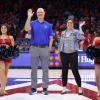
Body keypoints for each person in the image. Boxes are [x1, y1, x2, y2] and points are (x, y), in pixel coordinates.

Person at [24, 8, 53, 95]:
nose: (40, 13)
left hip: (45, 48)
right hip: (34, 48)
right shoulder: (32, 23)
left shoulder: (48, 25)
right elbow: (26, 29)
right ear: (36, 14)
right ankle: (33, 88)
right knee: (34, 69)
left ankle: (45, 88)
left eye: (41, 12)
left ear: (44, 13)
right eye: (38, 12)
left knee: (45, 69)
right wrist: (29, 17)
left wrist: (49, 48)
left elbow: (51, 38)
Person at [56, 18, 85, 95]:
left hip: (73, 53)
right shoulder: (63, 33)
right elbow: (60, 44)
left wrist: (80, 27)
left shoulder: (76, 32)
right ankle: (64, 88)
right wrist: (59, 53)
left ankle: (79, 88)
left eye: (71, 23)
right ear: (66, 24)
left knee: (75, 71)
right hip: (64, 54)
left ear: (73, 24)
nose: (69, 24)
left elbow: (81, 37)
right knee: (64, 71)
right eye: (68, 23)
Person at [0, 24, 14, 95]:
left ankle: (3, 89)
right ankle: (1, 88)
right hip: (0, 56)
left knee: (5, 72)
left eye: (4, 28)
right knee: (2, 69)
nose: (3, 29)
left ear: (7, 29)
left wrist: (8, 46)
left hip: (8, 55)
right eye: (2, 28)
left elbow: (13, 47)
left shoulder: (10, 37)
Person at [92, 32, 100, 96]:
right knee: (97, 76)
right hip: (98, 59)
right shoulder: (96, 38)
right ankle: (99, 90)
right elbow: (93, 48)